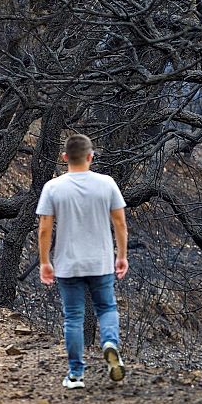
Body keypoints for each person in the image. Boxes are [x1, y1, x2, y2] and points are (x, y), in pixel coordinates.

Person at [36, 134, 129, 389]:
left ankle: (76, 375)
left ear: (65, 158)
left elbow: (45, 228)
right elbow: (120, 223)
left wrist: (45, 261)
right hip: (100, 262)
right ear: (90, 157)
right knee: (107, 309)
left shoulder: (53, 187)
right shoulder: (107, 184)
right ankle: (110, 343)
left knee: (73, 318)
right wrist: (121, 255)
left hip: (68, 264)